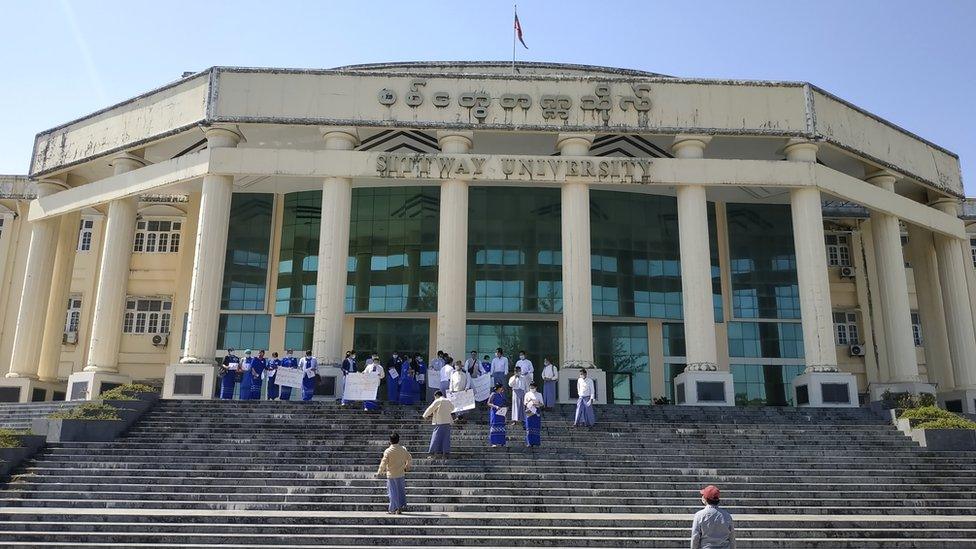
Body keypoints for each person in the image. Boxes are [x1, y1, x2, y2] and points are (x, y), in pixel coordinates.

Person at [375, 432, 412, 515]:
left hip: (391, 475)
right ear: (398, 440)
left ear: (390, 441)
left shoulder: (388, 451)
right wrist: (407, 467)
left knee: (392, 492)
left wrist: (379, 472)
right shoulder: (403, 449)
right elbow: (409, 458)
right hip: (401, 474)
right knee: (400, 491)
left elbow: (383, 463)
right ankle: (400, 507)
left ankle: (393, 508)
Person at [422, 390, 455, 459]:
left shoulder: (438, 400)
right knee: (446, 438)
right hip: (447, 422)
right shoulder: (448, 400)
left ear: (436, 395)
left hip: (440, 422)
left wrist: (425, 415)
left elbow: (430, 408)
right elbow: (452, 408)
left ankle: (432, 453)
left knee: (436, 437)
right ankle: (445, 453)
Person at [523, 382, 544, 447]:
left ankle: (536, 442)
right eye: (531, 387)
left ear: (536, 387)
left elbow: (542, 404)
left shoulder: (539, 394)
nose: (532, 388)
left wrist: (536, 404)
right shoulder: (527, 394)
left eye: (533, 387)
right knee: (529, 427)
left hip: (536, 411)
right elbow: (525, 403)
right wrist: (530, 403)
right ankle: (529, 442)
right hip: (529, 410)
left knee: (536, 427)